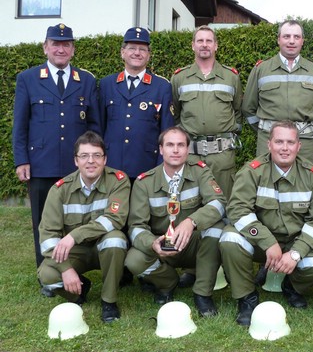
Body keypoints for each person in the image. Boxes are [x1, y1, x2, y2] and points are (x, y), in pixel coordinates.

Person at [12, 23, 100, 296]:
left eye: (66, 44)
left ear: (73, 49)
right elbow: (20, 124)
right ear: (45, 47)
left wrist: (94, 158)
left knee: (75, 220)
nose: (60, 48)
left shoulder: (85, 80)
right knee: (43, 221)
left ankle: (77, 264)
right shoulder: (28, 78)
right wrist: (21, 160)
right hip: (42, 164)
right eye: (55, 43)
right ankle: (46, 275)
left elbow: (94, 124)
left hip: (76, 167)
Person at [219, 121, 313, 326]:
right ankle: (247, 297)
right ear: (269, 144)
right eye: (279, 141)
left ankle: (293, 286)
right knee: (229, 238)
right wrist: (267, 241)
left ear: (299, 146)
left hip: (295, 243)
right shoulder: (252, 172)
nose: (285, 148)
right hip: (261, 244)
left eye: (290, 142)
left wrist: (296, 253)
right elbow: (237, 210)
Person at [124, 126, 226, 317]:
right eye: (170, 145)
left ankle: (202, 293)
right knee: (133, 260)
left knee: (217, 230)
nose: (176, 150)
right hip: (162, 245)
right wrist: (152, 243)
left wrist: (191, 221)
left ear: (188, 149)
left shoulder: (200, 172)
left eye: (181, 145)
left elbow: (218, 203)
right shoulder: (144, 182)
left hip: (192, 242)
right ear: (161, 149)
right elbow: (136, 226)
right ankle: (167, 282)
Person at [38, 131, 130, 323]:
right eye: (84, 156)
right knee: (47, 274)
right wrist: (65, 269)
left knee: (115, 239)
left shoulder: (119, 181)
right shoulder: (60, 189)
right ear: (75, 161)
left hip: (103, 247)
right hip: (75, 252)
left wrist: (75, 235)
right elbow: (47, 236)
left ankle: (109, 301)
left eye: (97, 155)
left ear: (105, 159)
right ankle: (79, 290)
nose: (91, 161)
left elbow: (114, 219)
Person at [171, 25, 243, 199]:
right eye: (200, 41)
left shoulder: (231, 77)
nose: (204, 45)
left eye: (209, 41)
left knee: (223, 203)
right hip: (191, 155)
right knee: (189, 202)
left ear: (216, 45)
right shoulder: (179, 78)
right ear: (193, 45)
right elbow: (175, 113)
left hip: (222, 156)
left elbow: (238, 111)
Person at [242, 20, 313, 164]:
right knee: (267, 183)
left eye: (296, 37)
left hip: (304, 144)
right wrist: (268, 131)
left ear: (302, 41)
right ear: (278, 40)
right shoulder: (261, 69)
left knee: (304, 184)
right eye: (286, 36)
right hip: (269, 142)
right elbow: (248, 108)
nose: (291, 41)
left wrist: (303, 131)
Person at [98, 26, 174, 181]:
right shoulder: (107, 84)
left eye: (142, 49)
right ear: (122, 53)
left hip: (147, 168)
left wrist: (162, 168)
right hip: (112, 168)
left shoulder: (162, 87)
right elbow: (99, 128)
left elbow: (167, 133)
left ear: (148, 55)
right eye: (132, 48)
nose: (137, 53)